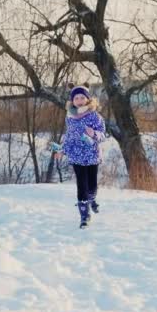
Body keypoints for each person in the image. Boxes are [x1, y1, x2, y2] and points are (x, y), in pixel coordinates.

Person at [54, 83, 106, 229]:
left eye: (82, 97)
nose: (79, 100)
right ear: (72, 101)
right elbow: (69, 137)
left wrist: (94, 133)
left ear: (87, 99)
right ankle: (84, 216)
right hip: (76, 156)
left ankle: (92, 199)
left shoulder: (94, 116)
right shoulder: (70, 117)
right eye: (76, 97)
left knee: (92, 185)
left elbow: (103, 135)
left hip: (92, 155)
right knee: (81, 185)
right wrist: (62, 150)